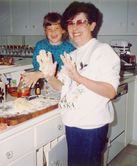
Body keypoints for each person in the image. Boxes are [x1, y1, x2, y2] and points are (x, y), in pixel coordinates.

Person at [37, 2, 120, 166]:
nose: (75, 27)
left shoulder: (102, 51)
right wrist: (49, 76)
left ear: (92, 25)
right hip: (72, 121)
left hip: (91, 125)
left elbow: (110, 91)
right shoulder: (73, 54)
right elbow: (62, 86)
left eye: (80, 22)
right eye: (70, 23)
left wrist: (78, 77)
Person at [23, 12, 75, 87]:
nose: (53, 32)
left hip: (62, 84)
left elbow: (66, 72)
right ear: (45, 31)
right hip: (44, 84)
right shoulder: (40, 45)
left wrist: (42, 74)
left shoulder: (69, 48)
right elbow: (36, 64)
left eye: (56, 28)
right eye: (49, 29)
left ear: (63, 30)